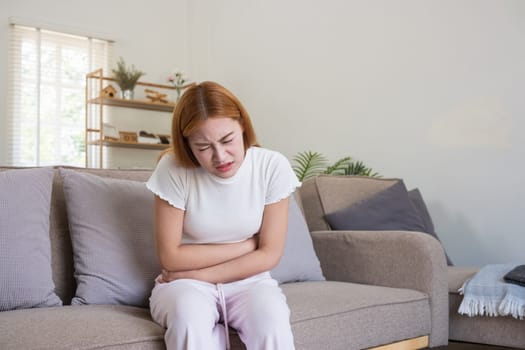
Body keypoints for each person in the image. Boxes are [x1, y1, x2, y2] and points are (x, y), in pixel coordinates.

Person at [146, 81, 300, 350]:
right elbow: (171, 257)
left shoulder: (272, 166)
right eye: (203, 146)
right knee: (189, 320)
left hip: (243, 281)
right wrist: (248, 245)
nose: (220, 156)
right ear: (187, 144)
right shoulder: (173, 168)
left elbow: (270, 255)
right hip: (183, 287)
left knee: (272, 323)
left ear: (242, 125)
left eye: (227, 140)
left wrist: (200, 274)